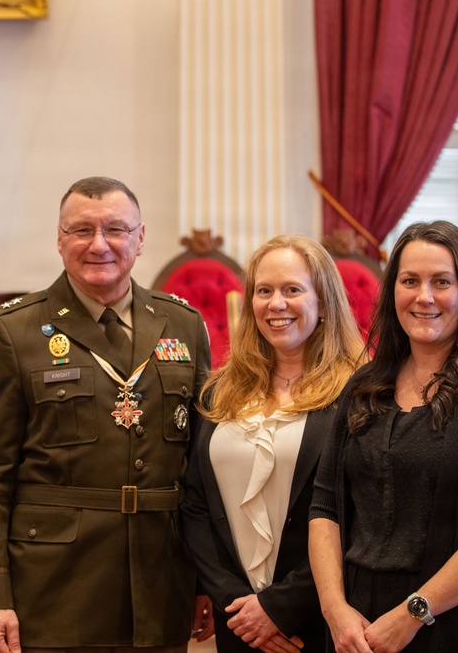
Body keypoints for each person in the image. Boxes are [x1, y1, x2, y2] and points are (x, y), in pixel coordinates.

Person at [0, 176, 212, 653]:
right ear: (59, 240)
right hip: (55, 590)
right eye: (81, 230)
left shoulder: (183, 323)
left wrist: (205, 577)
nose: (99, 244)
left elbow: (199, 469)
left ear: (140, 238)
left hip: (161, 583)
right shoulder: (14, 331)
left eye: (115, 229)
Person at [308, 220, 458, 653]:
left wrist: (412, 614)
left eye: (441, 282)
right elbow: (325, 505)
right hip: (355, 629)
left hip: (453, 624)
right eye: (410, 281)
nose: (424, 296)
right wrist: (333, 609)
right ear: (392, 292)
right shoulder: (364, 384)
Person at [181, 235, 365, 653]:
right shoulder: (218, 391)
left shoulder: (360, 393)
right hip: (238, 620)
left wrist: (279, 608)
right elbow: (195, 504)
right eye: (264, 291)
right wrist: (235, 603)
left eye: (292, 290)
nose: (276, 304)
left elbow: (362, 516)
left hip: (318, 619)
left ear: (324, 302)